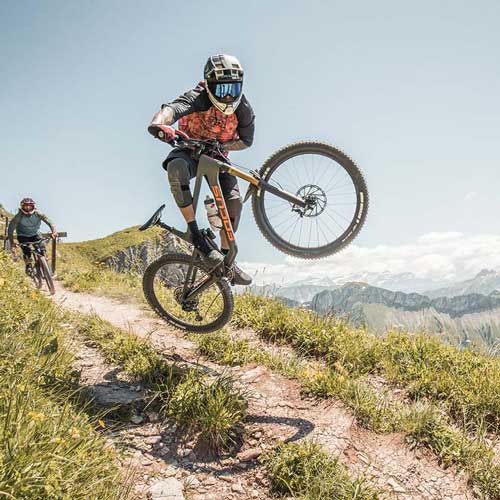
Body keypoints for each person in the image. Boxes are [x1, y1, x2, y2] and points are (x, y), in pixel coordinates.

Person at [147, 54, 255, 285]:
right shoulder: (199, 96)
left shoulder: (243, 107)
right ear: (209, 84)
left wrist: (221, 146)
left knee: (234, 203)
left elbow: (246, 141)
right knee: (176, 167)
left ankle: (226, 260)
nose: (228, 96)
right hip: (190, 151)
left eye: (233, 89)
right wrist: (159, 124)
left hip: (217, 155)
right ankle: (195, 234)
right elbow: (173, 109)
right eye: (222, 89)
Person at [8, 198, 58, 274]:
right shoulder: (18, 216)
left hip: (35, 234)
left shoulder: (38, 214)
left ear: (33, 206)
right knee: (26, 250)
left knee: (42, 247)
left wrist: (54, 231)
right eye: (26, 207)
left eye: (29, 206)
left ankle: (44, 263)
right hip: (22, 235)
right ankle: (28, 265)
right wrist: (12, 242)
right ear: (22, 207)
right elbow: (10, 229)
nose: (28, 208)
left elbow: (50, 222)